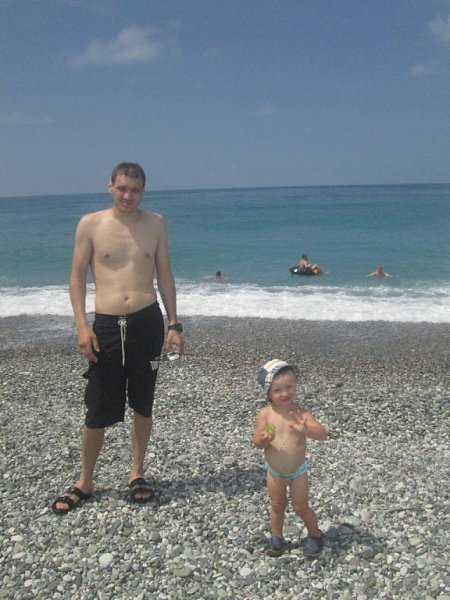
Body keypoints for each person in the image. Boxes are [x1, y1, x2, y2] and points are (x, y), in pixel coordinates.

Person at [52, 162, 184, 514]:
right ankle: (85, 481)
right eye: (122, 188)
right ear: (110, 186)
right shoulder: (91, 224)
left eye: (135, 189)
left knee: (143, 401)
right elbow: (76, 277)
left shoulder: (155, 224)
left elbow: (165, 274)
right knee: (97, 404)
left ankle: (136, 473)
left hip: (147, 322)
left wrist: (174, 324)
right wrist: (82, 326)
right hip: (107, 326)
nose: (128, 195)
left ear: (143, 191)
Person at [253, 359, 327, 557]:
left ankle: (315, 534)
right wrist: (263, 440)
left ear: (295, 386)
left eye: (289, 387)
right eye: (277, 390)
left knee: (301, 507)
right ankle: (277, 537)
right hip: (274, 472)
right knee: (277, 506)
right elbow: (257, 442)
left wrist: (306, 429)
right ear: (268, 393)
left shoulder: (301, 414)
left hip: (297, 472)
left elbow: (322, 434)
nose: (285, 393)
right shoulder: (265, 414)